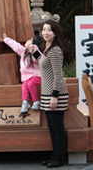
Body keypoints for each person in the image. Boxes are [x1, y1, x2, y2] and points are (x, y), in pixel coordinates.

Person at [29, 20, 69, 168]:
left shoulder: (56, 50)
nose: (46, 33)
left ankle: (59, 158)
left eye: (49, 30)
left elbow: (58, 76)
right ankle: (54, 157)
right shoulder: (46, 49)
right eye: (44, 30)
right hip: (46, 93)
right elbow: (45, 67)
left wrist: (54, 95)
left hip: (55, 93)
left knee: (57, 128)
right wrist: (35, 53)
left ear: (55, 33)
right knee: (52, 128)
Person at [2, 33, 43, 113]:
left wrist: (34, 50)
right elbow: (15, 45)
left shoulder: (35, 54)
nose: (27, 41)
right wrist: (6, 40)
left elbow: (41, 59)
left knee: (30, 84)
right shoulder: (23, 52)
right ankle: (25, 102)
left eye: (30, 40)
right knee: (24, 85)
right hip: (27, 77)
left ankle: (36, 101)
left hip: (37, 76)